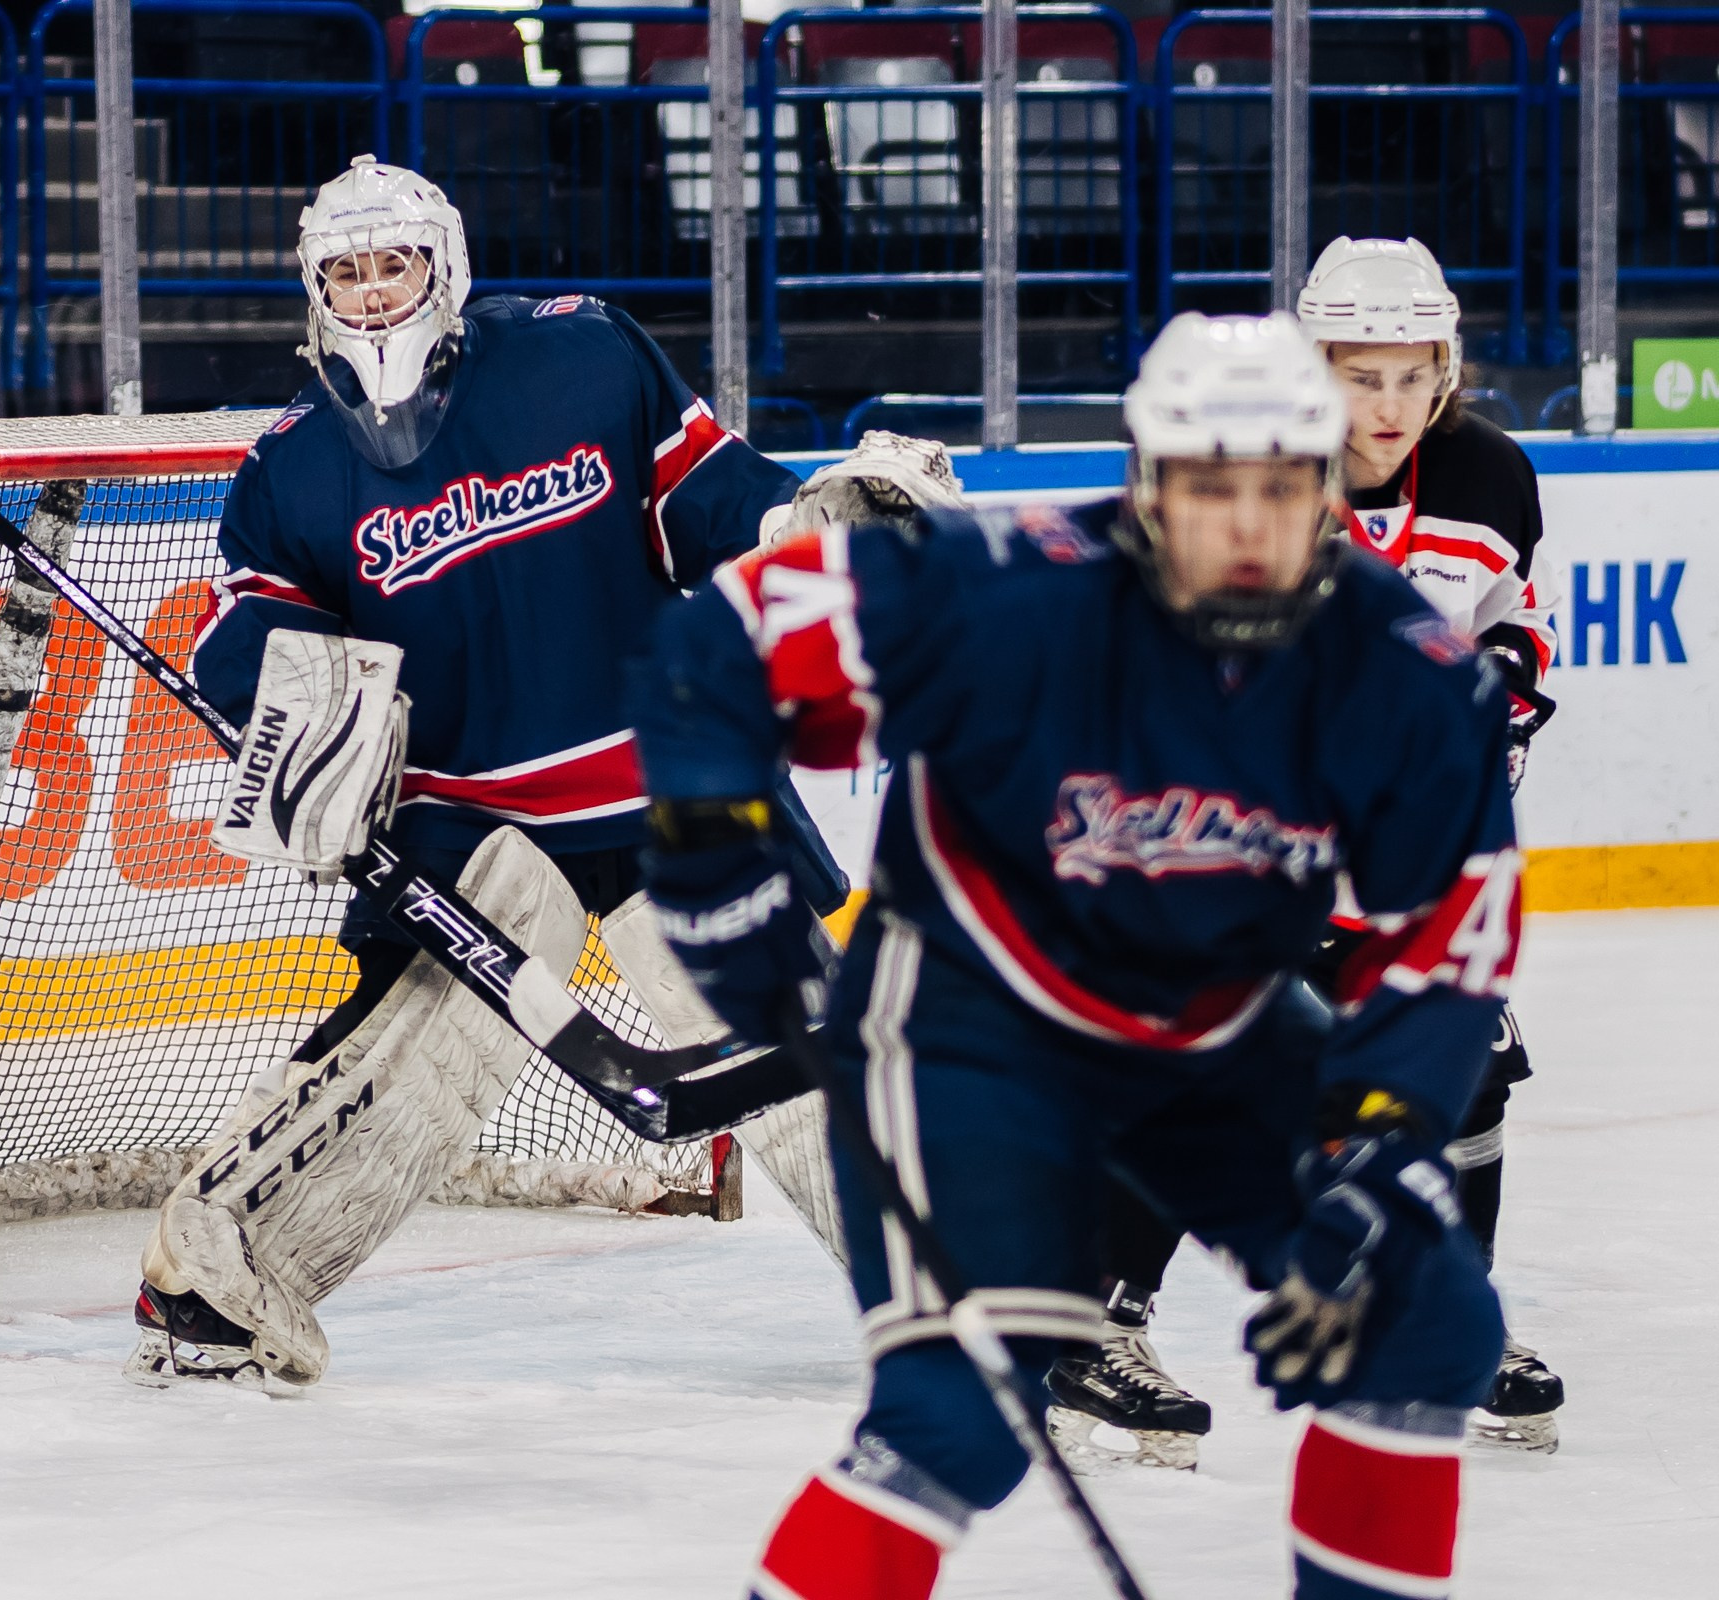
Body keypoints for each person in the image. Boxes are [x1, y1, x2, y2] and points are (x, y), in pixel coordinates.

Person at [634, 312, 1517, 1600]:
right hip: (964, 1026)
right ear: (1151, 485)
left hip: (1209, 1031)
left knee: (1421, 1315)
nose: (1249, 524)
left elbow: (1442, 938)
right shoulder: (1008, 594)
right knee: (961, 1413)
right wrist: (716, 862)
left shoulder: (1408, 673)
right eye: (1213, 485)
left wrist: (1376, 1137)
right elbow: (724, 641)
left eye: (1282, 484)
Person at [125, 155, 818, 1388]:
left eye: (395, 264)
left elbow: (714, 494)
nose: (374, 293)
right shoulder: (292, 463)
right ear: (313, 286)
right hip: (467, 818)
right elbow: (247, 635)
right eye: (346, 270)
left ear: (443, 267)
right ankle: (210, 1281)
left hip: (659, 775)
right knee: (405, 1059)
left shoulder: (583, 353)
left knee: (810, 1036)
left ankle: (987, 1284)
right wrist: (293, 734)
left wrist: (804, 518)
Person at [1053, 237, 1563, 1462]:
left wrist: (1498, 688)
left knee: (1468, 1075)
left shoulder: (1493, 476)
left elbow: (1518, 630)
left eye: (1409, 376)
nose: (1384, 408)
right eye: (1356, 375)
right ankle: (1092, 1329)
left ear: (1445, 372)